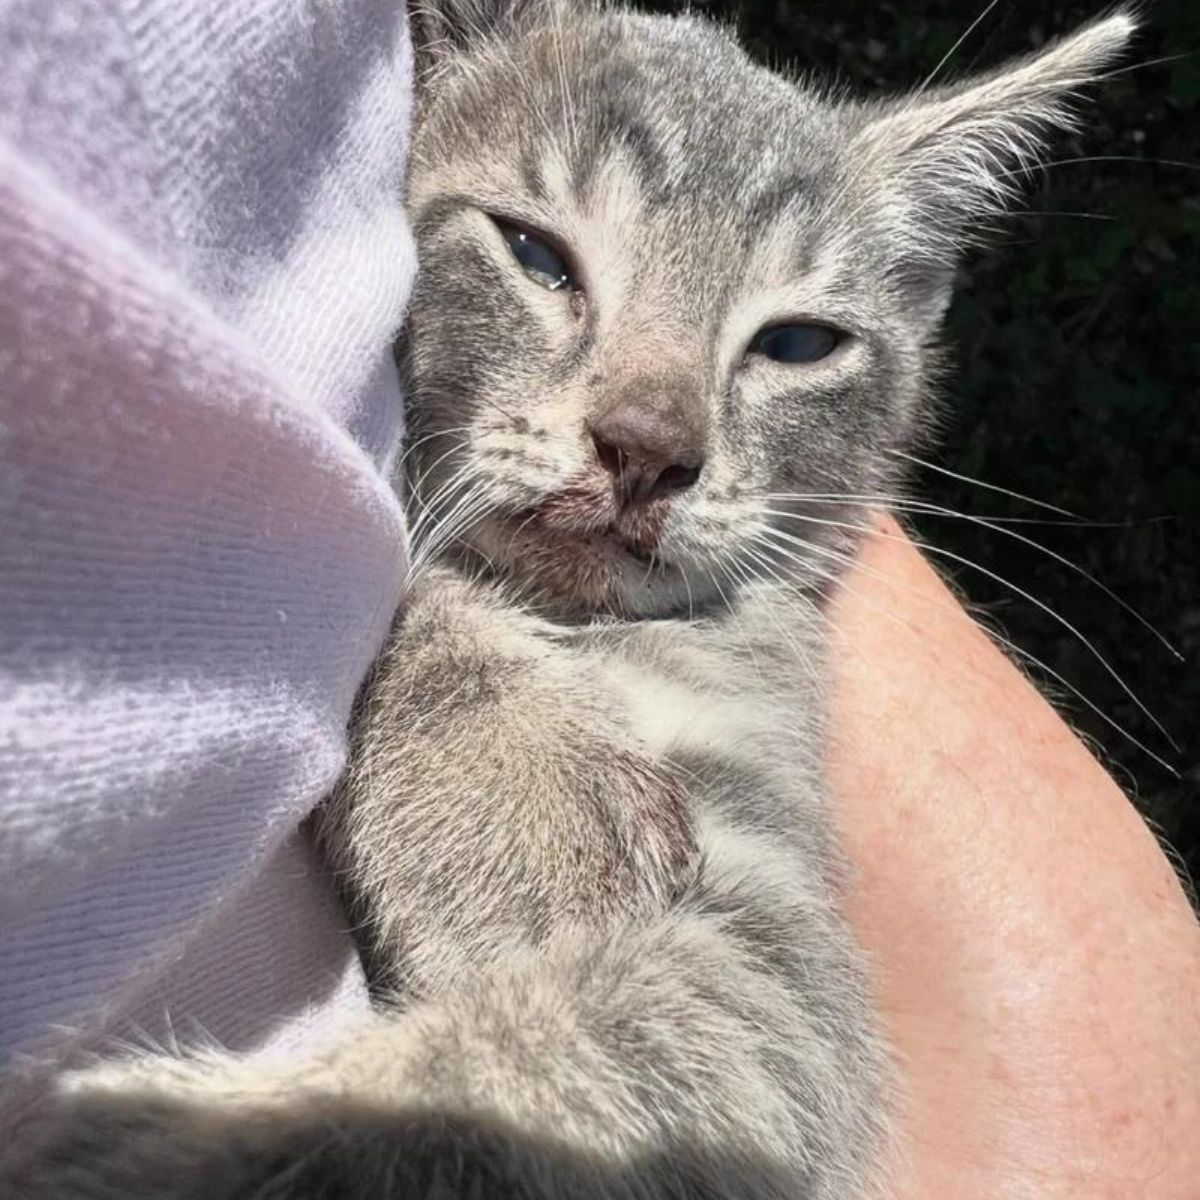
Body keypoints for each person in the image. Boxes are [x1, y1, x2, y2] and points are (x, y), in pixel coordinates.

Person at [1, 1, 1196, 1194]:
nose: (657, 433)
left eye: (794, 344)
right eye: (542, 255)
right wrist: (418, 660)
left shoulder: (738, 616)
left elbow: (762, 1045)